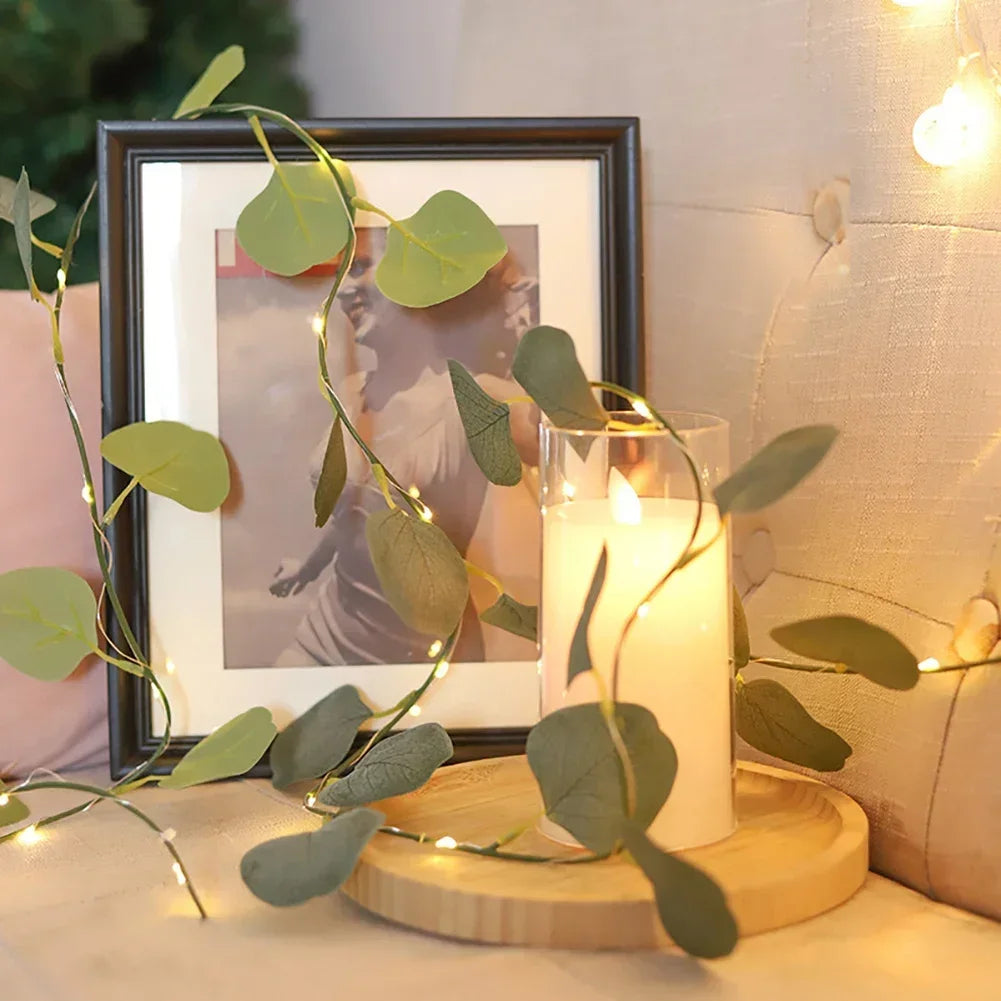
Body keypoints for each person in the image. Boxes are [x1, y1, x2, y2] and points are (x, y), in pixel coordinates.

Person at [270, 227, 539, 666]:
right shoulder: (356, 390)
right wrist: (309, 565)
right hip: (323, 638)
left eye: (359, 268)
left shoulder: (475, 400)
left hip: (416, 664)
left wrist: (538, 329)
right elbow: (355, 513)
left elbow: (571, 447)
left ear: (419, 280)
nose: (342, 292)